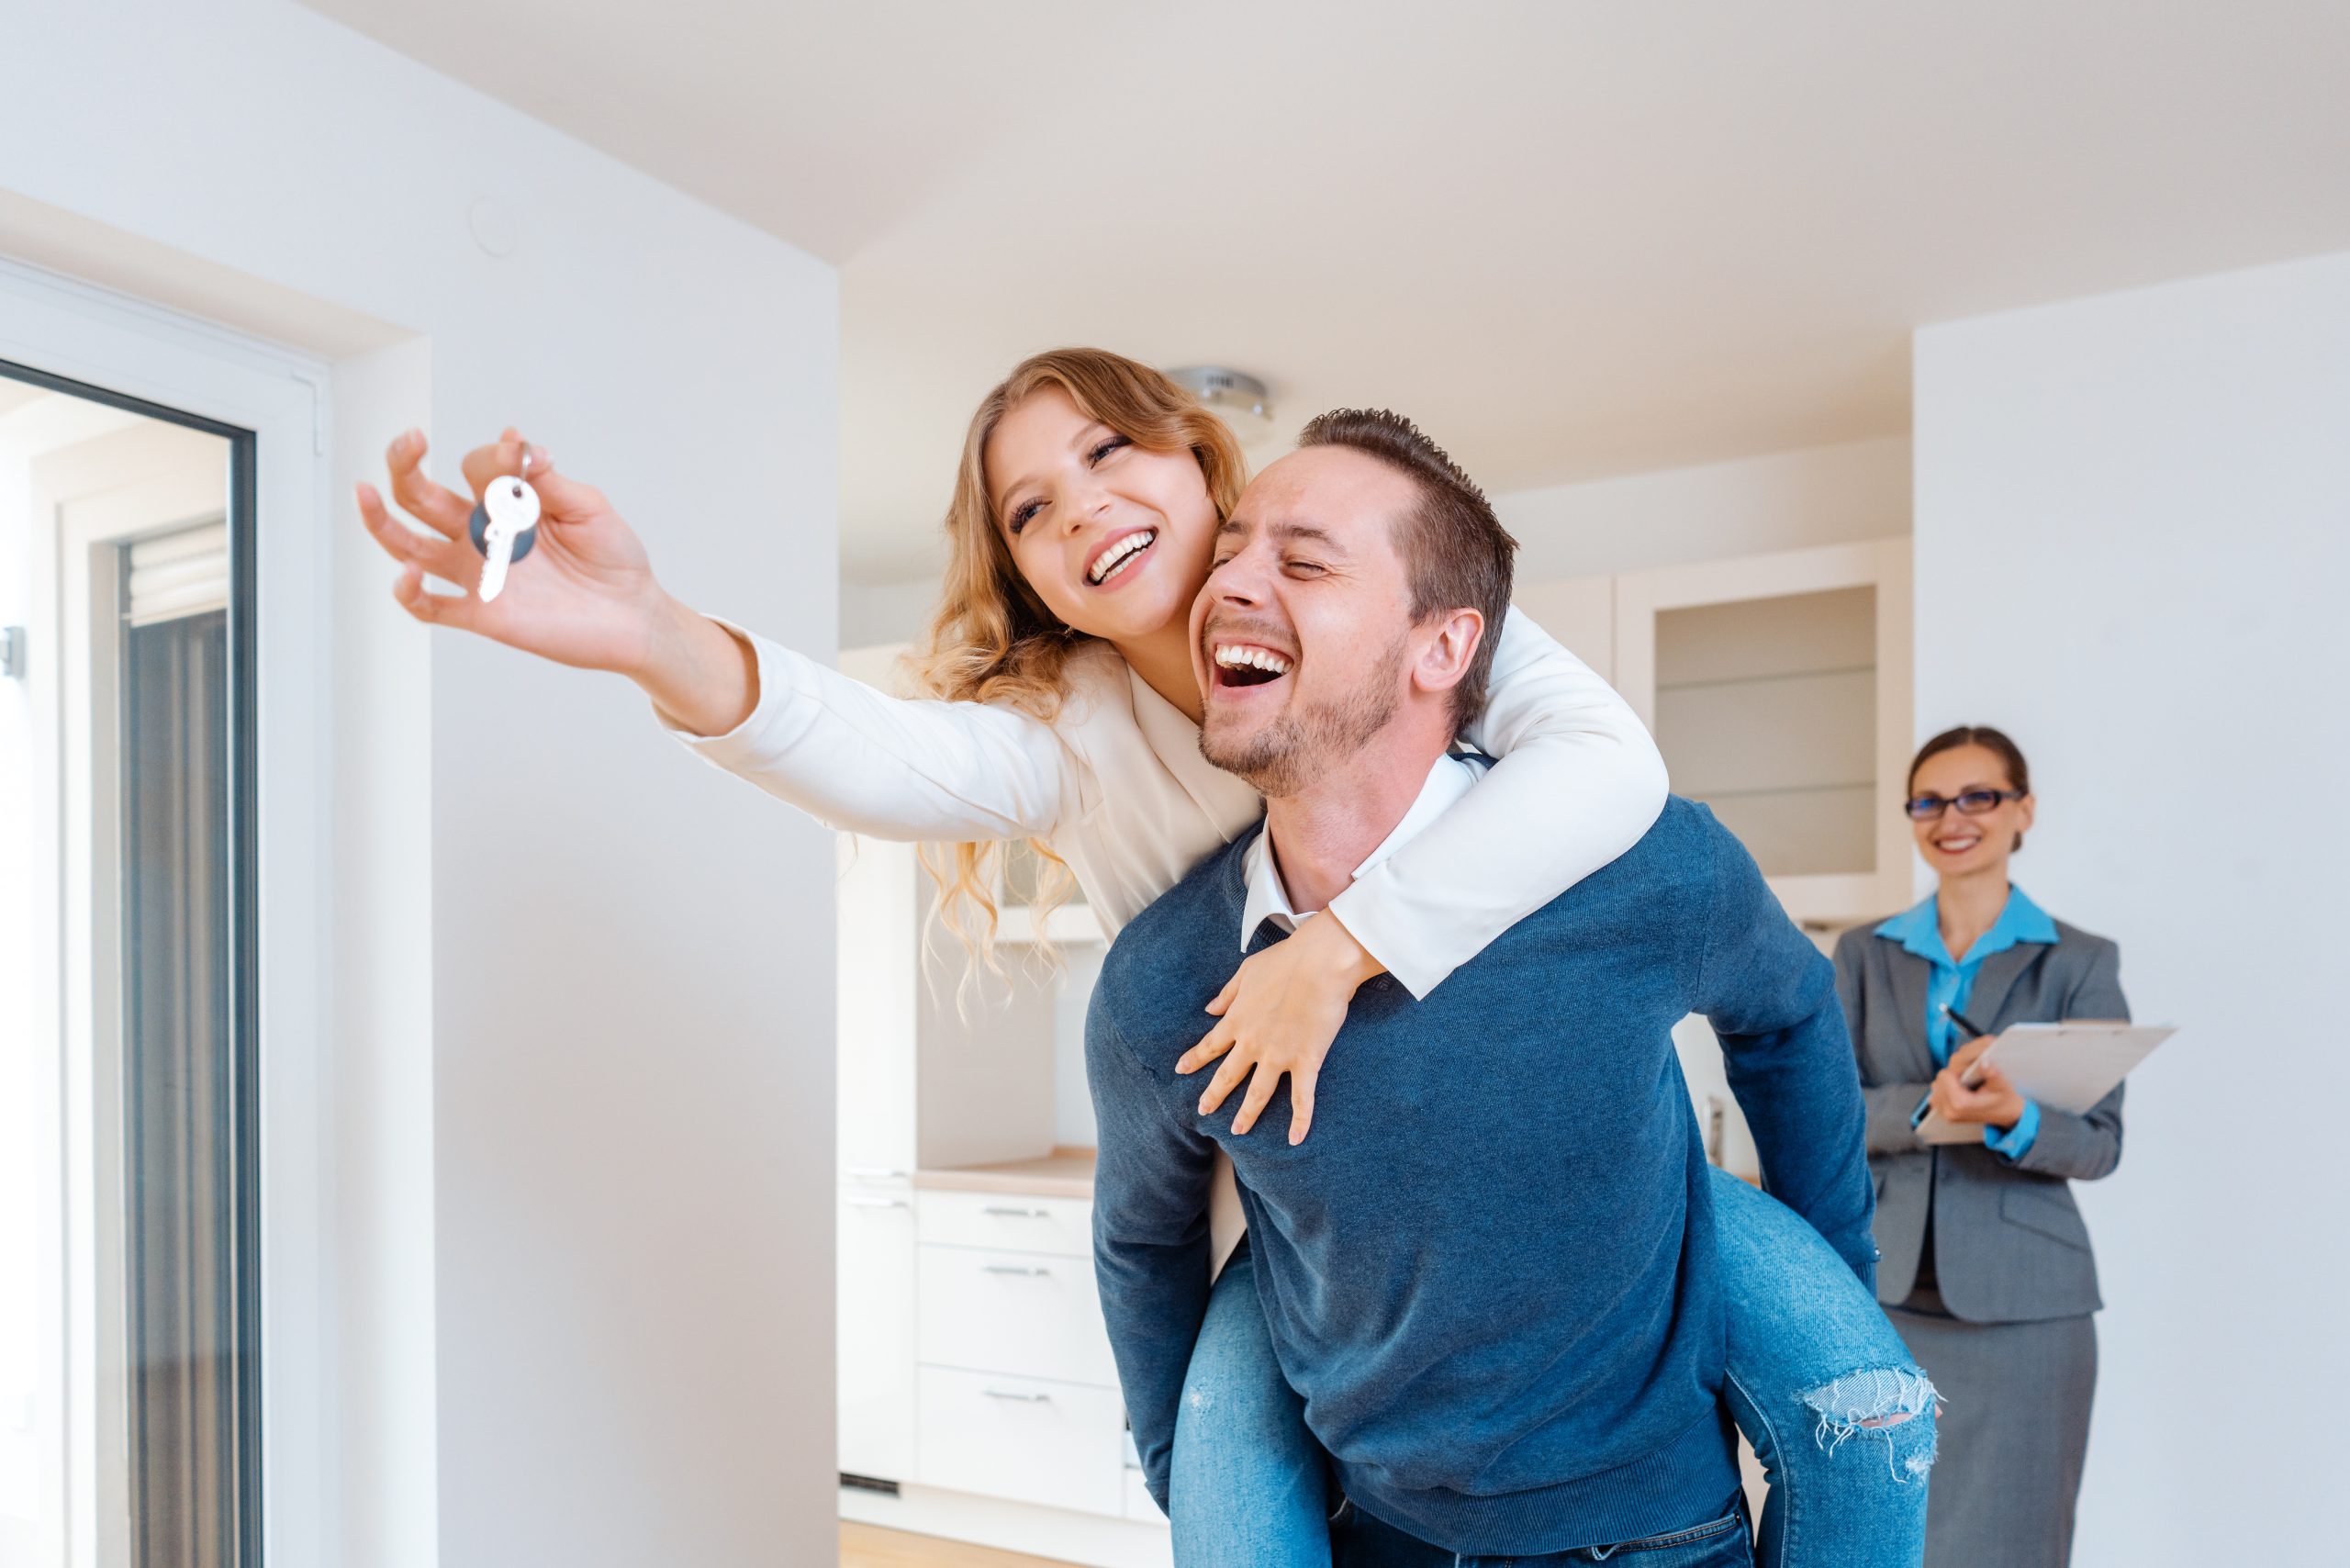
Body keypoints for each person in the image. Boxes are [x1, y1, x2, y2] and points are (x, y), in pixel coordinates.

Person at [355, 350, 1931, 1566]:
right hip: (1301, 1212)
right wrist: (650, 631)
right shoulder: (1073, 746)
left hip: (1576, 1231)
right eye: (1031, 508)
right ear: (1027, 576)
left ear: (1202, 460)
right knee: (1218, 1476)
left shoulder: (1445, 642)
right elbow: (867, 749)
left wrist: (1337, 950)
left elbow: (1619, 777)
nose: (1082, 505)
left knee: (1863, 1399)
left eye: (1108, 450)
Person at [1090, 407, 1916, 1568]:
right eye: (1226, 551)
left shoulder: (1637, 864)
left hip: (1657, 1536)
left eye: (1304, 559)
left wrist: (1829, 1294)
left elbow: (1789, 1016)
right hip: (1375, 1538)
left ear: (1444, 649)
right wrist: (1194, 1482)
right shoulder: (1166, 976)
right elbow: (1142, 1240)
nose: (1226, 582)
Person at [1835, 726, 2127, 1567]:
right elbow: (1818, 1119)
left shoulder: (2078, 961)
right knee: (1878, 1536)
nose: (1951, 818)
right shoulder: (1862, 956)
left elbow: (2101, 1144)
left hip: (2029, 1310)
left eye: (1978, 797)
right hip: (1881, 1297)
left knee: (2019, 1541)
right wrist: (1930, 1104)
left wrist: (2014, 1116)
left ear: (2021, 809)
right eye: (1928, 801)